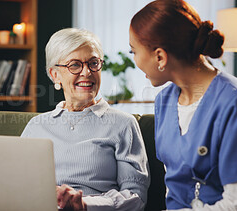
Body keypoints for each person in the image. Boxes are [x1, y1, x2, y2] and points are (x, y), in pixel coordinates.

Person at [129, 0, 237, 210]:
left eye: (134, 51)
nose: (135, 60)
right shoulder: (164, 101)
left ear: (160, 56)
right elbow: (174, 186)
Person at [20, 28, 150, 211]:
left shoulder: (123, 124)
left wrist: (84, 204)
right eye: (74, 65)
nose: (87, 72)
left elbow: (136, 197)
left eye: (93, 63)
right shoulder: (37, 126)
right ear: (55, 74)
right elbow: (17, 184)